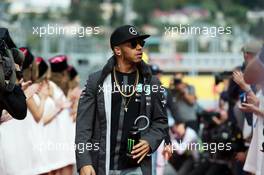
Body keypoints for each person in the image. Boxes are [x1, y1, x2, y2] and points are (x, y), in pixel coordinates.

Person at [75, 25, 168, 175]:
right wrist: (84, 161)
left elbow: (161, 121)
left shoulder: (151, 82)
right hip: (101, 165)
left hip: (136, 167)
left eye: (141, 44)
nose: (139, 48)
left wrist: (149, 141)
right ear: (117, 51)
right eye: (133, 44)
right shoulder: (96, 81)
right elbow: (83, 127)